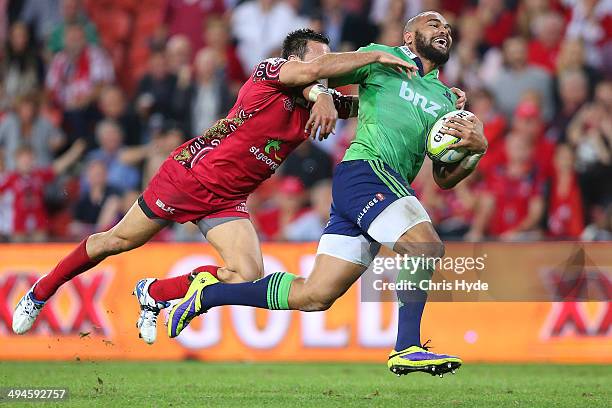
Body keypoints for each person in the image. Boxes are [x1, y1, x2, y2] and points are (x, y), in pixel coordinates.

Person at [12, 29, 418, 345]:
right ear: (293, 59)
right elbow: (312, 78)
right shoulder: (269, 71)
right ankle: (40, 291)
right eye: (321, 59)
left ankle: (153, 292)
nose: (328, 66)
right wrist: (376, 54)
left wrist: (433, 101)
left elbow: (370, 104)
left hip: (228, 198)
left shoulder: (317, 95)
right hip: (189, 177)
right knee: (115, 241)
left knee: (247, 276)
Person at [165, 12, 482, 378]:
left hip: (382, 185)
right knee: (425, 246)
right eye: (433, 24)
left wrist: (475, 150)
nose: (443, 30)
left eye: (446, 27)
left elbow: (444, 178)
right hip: (366, 171)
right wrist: (324, 97)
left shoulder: (446, 99)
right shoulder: (382, 57)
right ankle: (407, 347)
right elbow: (314, 69)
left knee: (314, 295)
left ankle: (207, 296)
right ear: (409, 37)